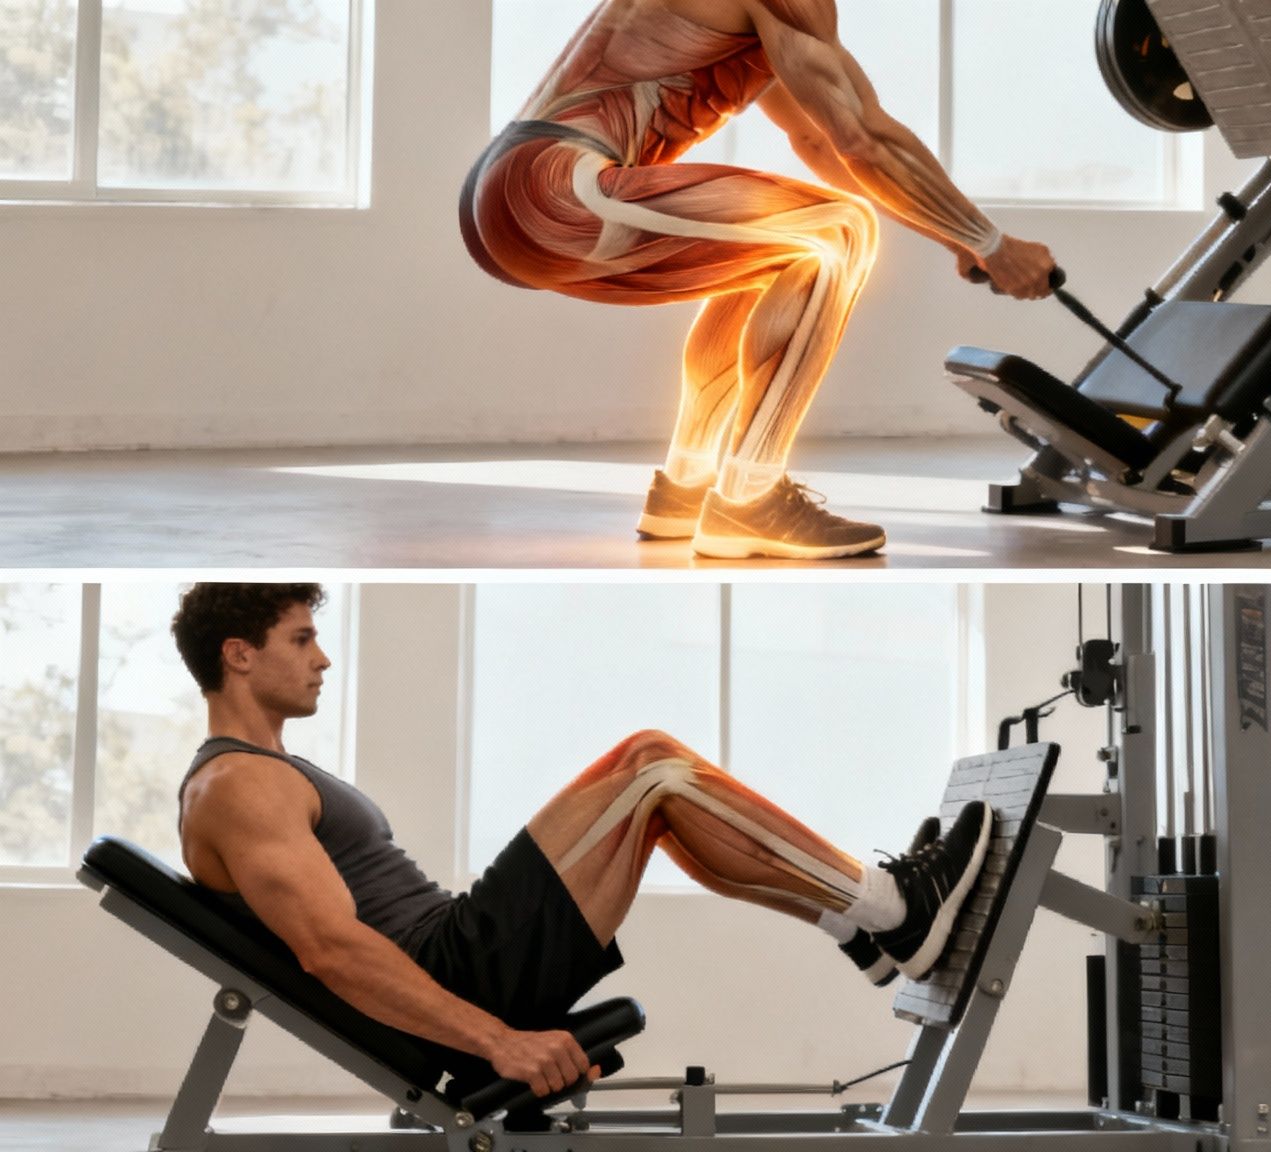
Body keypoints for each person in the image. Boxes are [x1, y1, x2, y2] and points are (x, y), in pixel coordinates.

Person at [170, 583, 990, 1100]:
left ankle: (862, 929)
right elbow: (330, 949)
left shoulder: (269, 771)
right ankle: (893, 905)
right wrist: (500, 1042)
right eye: (301, 639)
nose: (323, 659)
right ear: (239, 655)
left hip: (459, 947)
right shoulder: (238, 786)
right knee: (650, 763)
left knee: (662, 805)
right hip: (459, 965)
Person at [460, 0, 1059, 559]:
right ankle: (751, 497)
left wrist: (954, 237)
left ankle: (685, 487)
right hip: (556, 192)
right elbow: (863, 137)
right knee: (842, 231)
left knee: (770, 256)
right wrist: (991, 242)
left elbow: (816, 142)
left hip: (506, 192)